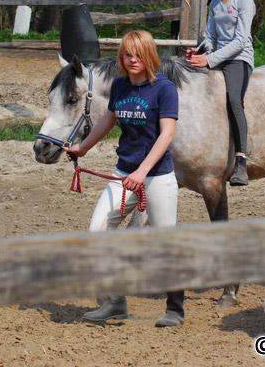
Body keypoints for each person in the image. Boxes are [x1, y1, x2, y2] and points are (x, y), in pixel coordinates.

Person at [63, 29, 185, 327]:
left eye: (138, 54)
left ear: (149, 56)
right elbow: (109, 119)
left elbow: (167, 134)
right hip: (123, 172)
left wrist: (142, 172)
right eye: (127, 54)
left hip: (157, 176)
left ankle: (175, 309)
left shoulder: (164, 89)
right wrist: (83, 147)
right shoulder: (120, 85)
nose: (132, 60)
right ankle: (115, 300)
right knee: (97, 231)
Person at [186, 0, 255, 186]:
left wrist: (209, 59)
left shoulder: (245, 0)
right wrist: (199, 51)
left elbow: (240, 41)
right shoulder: (216, 1)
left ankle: (241, 160)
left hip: (238, 59)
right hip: (216, 56)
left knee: (234, 100)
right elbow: (210, 37)